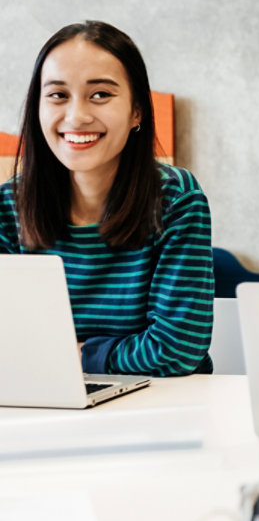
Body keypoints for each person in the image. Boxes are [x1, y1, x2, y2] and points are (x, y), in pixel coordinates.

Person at [0, 21, 214, 377]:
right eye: (57, 95)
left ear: (136, 112)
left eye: (100, 94)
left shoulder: (176, 199)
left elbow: (177, 350)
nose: (77, 116)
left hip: (162, 405)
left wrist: (80, 355)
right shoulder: (7, 207)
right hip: (40, 403)